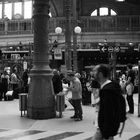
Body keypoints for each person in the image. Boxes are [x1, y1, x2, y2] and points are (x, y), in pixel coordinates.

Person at [92, 64, 122, 140]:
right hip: (105, 127)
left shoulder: (107, 90)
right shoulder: (108, 87)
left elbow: (109, 112)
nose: (93, 73)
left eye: (95, 71)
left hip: (105, 128)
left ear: (100, 74)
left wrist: (105, 129)